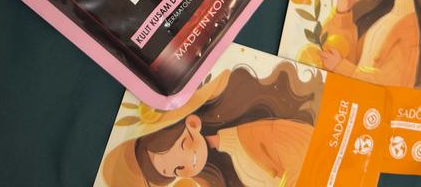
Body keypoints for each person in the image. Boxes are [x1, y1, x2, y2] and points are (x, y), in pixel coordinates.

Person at [101, 61, 323, 187]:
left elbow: (304, 150)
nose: (187, 164)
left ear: (193, 123)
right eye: (177, 170)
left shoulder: (251, 135)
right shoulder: (219, 173)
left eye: (183, 145)